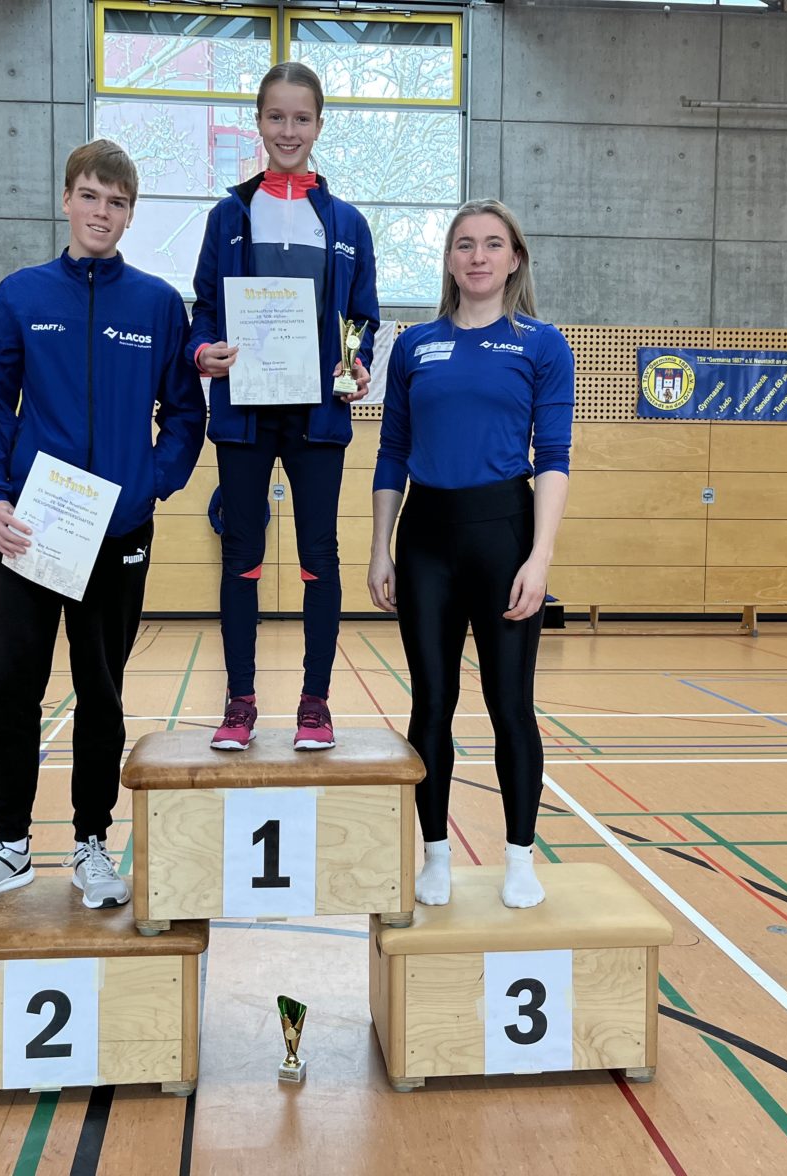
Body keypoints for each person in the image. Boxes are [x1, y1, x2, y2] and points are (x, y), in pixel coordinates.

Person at [0, 139, 206, 913]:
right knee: (9, 686)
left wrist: (149, 486)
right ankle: (12, 846)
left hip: (118, 534)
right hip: (31, 529)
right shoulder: (23, 294)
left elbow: (185, 414)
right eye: (90, 196)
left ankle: (92, 843)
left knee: (103, 693)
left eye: (117, 202)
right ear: (66, 199)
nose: (102, 213)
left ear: (130, 213)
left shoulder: (157, 305)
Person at [368, 200, 574, 910]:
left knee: (509, 704)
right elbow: (391, 451)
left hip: (504, 531)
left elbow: (553, 456)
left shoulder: (541, 344)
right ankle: (434, 854)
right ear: (449, 259)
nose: (478, 256)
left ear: (514, 258)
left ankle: (520, 856)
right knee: (431, 703)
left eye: (492, 244)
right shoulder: (415, 343)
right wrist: (379, 549)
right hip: (425, 534)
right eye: (464, 245)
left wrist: (540, 556)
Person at [191, 61, 379, 753]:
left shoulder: (348, 222)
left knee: (317, 559)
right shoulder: (228, 214)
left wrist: (355, 363)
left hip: (317, 418)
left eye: (302, 118)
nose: (289, 130)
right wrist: (202, 351)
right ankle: (240, 702)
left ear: (319, 125)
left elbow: (363, 319)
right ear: (260, 122)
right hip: (243, 411)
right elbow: (205, 309)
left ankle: (314, 703)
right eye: (277, 117)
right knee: (241, 557)